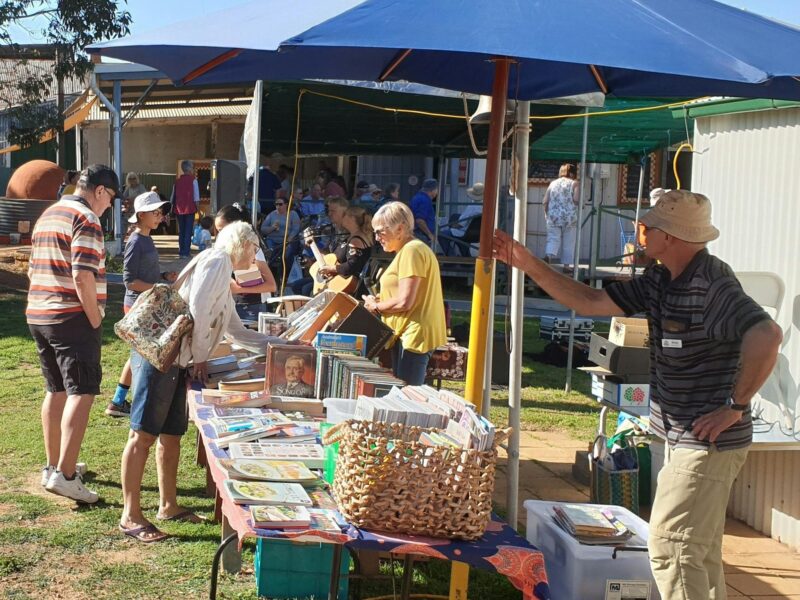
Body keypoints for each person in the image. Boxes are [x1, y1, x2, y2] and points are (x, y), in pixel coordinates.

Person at [492, 190, 783, 600]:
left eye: (648, 227)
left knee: (670, 548)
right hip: (678, 436)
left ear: (671, 236)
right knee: (696, 552)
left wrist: (735, 407)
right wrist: (525, 262)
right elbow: (591, 301)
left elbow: (767, 335)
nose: (640, 232)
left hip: (706, 443)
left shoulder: (711, 283)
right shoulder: (661, 278)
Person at [119, 221, 285, 542]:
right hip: (162, 356)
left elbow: (236, 331)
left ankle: (168, 505)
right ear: (242, 243)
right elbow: (197, 311)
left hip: (177, 359)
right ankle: (130, 515)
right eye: (254, 249)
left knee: (171, 435)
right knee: (142, 435)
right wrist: (201, 357)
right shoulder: (218, 261)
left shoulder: (222, 269)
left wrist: (281, 345)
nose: (255, 257)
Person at [27, 164, 119, 503]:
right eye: (110, 198)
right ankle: (65, 475)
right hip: (71, 317)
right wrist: (94, 318)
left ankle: (54, 466)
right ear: (99, 191)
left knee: (56, 390)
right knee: (82, 391)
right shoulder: (87, 219)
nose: (109, 205)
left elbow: (32, 268)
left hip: (39, 313)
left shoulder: (49, 213)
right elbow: (83, 275)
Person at [106, 192, 178, 418]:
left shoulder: (147, 239)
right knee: (141, 356)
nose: (159, 216)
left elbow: (146, 273)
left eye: (160, 212)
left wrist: (164, 276)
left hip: (148, 304)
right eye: (154, 212)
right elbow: (129, 281)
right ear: (141, 215)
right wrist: (158, 287)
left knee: (139, 355)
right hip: (136, 307)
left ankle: (118, 401)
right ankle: (124, 403)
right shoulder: (135, 241)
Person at [363, 202, 446, 384]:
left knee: (407, 393)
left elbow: (405, 302)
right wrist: (381, 299)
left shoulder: (412, 251)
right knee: (403, 391)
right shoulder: (410, 250)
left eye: (380, 232)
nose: (377, 238)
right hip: (408, 332)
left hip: (413, 334)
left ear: (400, 229)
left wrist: (376, 306)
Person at [214, 204, 277, 320]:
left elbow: (271, 286)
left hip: (252, 307)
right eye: (218, 231)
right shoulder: (224, 248)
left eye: (222, 230)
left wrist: (240, 289)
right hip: (231, 304)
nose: (220, 235)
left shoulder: (252, 248)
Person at [297, 205, 373, 296]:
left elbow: (352, 266)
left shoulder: (356, 240)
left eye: (344, 215)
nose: (342, 218)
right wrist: (312, 245)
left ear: (352, 219)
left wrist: (331, 268)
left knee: (308, 291)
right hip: (335, 277)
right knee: (301, 287)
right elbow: (332, 258)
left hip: (348, 283)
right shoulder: (351, 237)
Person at [542, 163, 579, 272]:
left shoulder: (553, 183)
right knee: (569, 241)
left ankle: (549, 256)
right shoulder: (574, 183)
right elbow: (576, 200)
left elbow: (545, 201)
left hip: (553, 217)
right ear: (572, 173)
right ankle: (566, 266)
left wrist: (546, 213)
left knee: (553, 238)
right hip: (569, 218)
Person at [438, 182, 484, 257]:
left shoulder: (472, 207)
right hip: (476, 233)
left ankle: (450, 256)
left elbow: (460, 224)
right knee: (460, 237)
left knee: (442, 234)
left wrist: (451, 226)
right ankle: (466, 256)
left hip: (465, 233)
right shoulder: (485, 207)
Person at [170, 160, 200, 259]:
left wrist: (171, 208)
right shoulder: (194, 180)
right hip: (190, 208)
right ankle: (186, 252)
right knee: (188, 231)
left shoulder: (177, 181)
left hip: (179, 209)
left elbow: (172, 196)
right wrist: (198, 210)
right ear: (190, 169)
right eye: (192, 167)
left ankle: (181, 251)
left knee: (181, 231)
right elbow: (196, 197)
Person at [410, 178, 438, 246]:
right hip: (421, 235)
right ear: (433, 190)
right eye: (437, 189)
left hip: (415, 233)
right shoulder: (425, 200)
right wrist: (429, 234)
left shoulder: (417, 197)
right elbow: (420, 220)